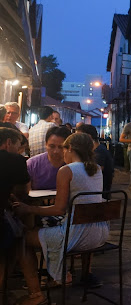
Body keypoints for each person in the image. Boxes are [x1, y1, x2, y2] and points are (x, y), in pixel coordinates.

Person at [12, 133, 109, 305]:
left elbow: (59, 209)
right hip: (99, 234)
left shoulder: (66, 170)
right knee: (49, 229)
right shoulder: (96, 169)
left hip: (75, 236)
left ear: (69, 148)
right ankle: (60, 274)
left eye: (63, 148)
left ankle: (36, 294)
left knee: (23, 238)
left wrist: (29, 208)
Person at [0, 128, 30, 296]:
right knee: (19, 235)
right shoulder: (15, 160)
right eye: (18, 146)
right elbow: (22, 192)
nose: (19, 150)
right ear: (8, 142)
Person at [26, 127, 71, 191]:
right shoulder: (32, 164)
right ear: (46, 144)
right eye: (52, 146)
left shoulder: (73, 166)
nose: (56, 151)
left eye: (61, 147)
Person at [76, 124, 114, 199]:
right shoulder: (95, 150)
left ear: (89, 137)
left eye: (79, 137)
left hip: (98, 195)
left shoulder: (99, 152)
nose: (76, 141)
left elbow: (94, 173)